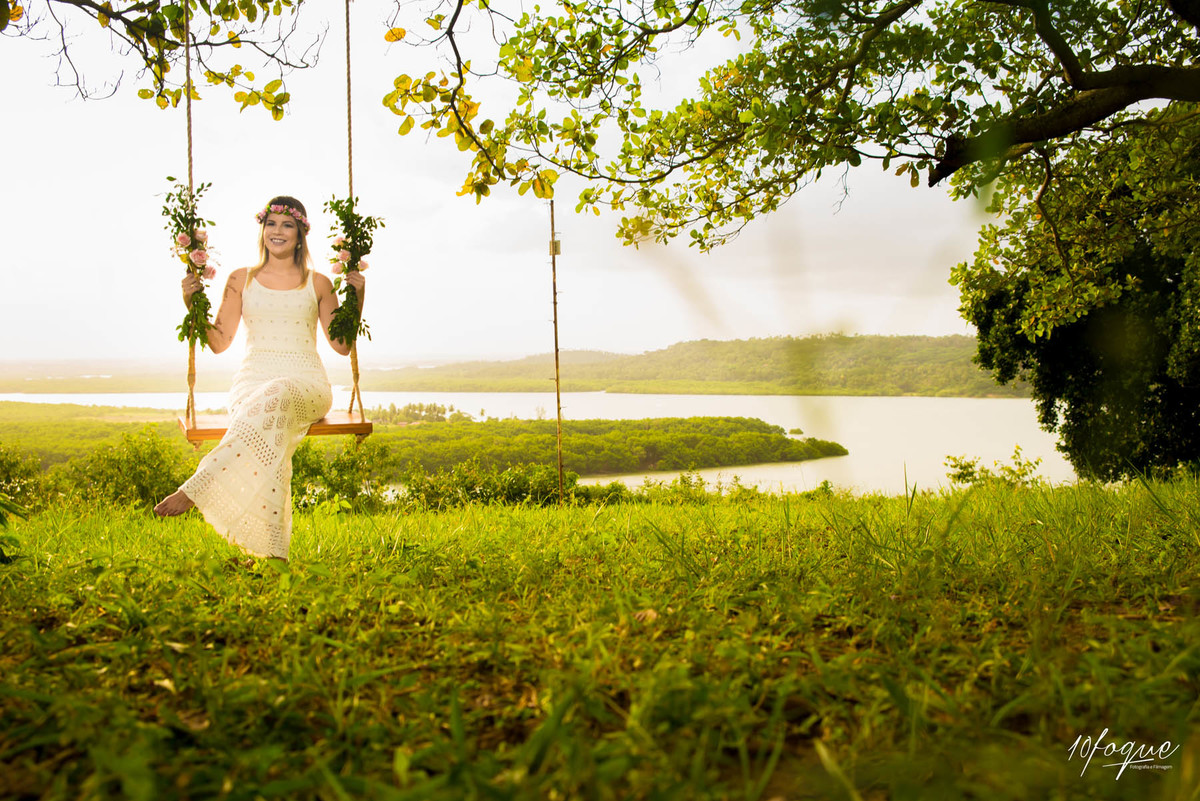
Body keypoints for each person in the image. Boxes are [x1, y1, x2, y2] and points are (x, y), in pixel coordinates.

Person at [154, 196, 365, 561]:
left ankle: (199, 485)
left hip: (306, 385)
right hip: (251, 384)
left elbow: (342, 346)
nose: (277, 231)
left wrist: (359, 297)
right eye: (271, 224)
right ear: (262, 230)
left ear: (300, 234)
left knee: (279, 392)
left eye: (287, 225)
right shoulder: (241, 279)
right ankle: (274, 552)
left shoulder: (318, 283)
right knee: (272, 441)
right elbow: (219, 342)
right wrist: (192, 306)